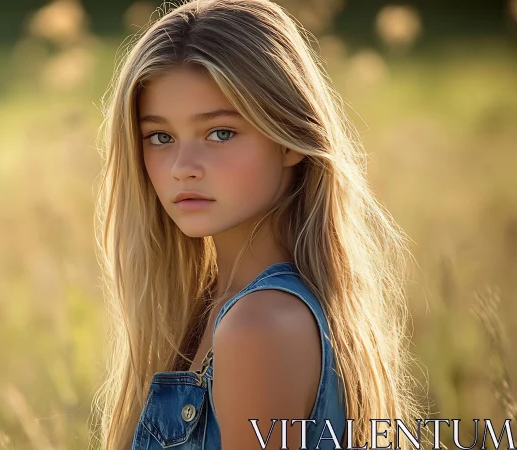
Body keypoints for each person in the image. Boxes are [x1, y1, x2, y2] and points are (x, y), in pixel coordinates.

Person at [91, 1, 426, 449]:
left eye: (220, 133)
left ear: (291, 139)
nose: (182, 168)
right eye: (161, 137)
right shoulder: (214, 309)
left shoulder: (260, 326)